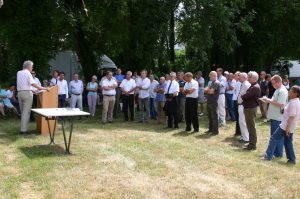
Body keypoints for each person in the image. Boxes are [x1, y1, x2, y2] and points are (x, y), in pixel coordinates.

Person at [263, 85, 300, 164]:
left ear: (295, 93)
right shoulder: (296, 101)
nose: (289, 91)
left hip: (286, 126)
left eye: (291, 90)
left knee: (274, 138)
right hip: (289, 126)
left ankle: (268, 156)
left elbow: (292, 116)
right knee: (288, 142)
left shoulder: (293, 102)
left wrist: (287, 128)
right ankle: (292, 160)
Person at [17, 60, 48, 134]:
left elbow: (23, 84)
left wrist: (32, 90)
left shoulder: (18, 72)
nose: (32, 68)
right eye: (32, 67)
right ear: (29, 67)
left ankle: (23, 129)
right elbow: (33, 83)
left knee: (22, 112)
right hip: (27, 94)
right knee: (26, 112)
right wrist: (43, 88)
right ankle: (23, 131)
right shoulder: (28, 73)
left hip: (20, 93)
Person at [262, 75, 288, 158]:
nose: (273, 85)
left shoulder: (282, 91)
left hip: (278, 117)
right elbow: (275, 100)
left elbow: (280, 104)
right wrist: (268, 100)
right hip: (275, 116)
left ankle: (278, 153)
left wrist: (269, 100)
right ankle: (277, 153)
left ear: (278, 82)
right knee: (276, 136)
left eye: (273, 83)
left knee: (276, 137)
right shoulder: (278, 89)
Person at [241, 71, 260, 150]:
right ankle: (251, 143)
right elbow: (244, 95)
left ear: (254, 78)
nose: (248, 78)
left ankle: (252, 145)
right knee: (250, 126)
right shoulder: (252, 86)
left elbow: (244, 96)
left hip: (250, 108)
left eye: (249, 77)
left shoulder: (255, 87)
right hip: (249, 108)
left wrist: (243, 94)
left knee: (251, 126)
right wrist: (244, 94)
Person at [204, 71, 220, 135]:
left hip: (213, 101)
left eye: (210, 76)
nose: (209, 77)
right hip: (210, 101)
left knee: (214, 117)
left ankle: (215, 131)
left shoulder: (216, 82)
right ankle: (211, 129)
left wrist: (208, 90)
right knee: (210, 116)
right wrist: (208, 90)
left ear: (214, 76)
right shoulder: (212, 83)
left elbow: (211, 92)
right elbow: (205, 90)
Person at [238, 72, 251, 143]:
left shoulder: (246, 84)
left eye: (240, 76)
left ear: (244, 77)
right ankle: (244, 136)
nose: (239, 78)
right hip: (241, 104)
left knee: (243, 122)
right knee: (241, 122)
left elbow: (247, 95)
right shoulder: (243, 84)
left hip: (243, 105)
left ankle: (246, 138)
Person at [233, 71, 241, 136]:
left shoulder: (239, 83)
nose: (234, 76)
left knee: (238, 117)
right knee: (237, 117)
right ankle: (238, 131)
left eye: (235, 75)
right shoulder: (236, 82)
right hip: (235, 100)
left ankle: (239, 131)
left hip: (238, 101)